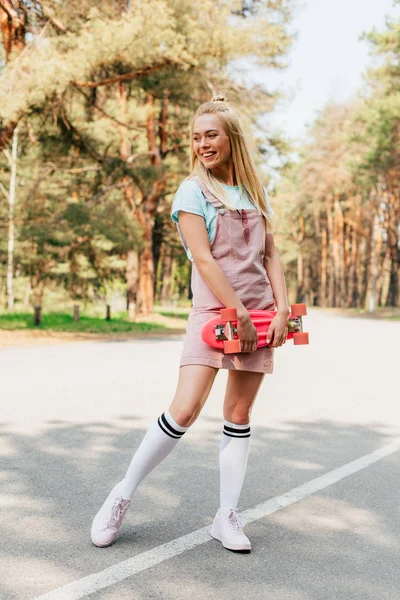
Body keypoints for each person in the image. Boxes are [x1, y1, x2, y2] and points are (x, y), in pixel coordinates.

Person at [91, 96, 290, 553]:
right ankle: (120, 495)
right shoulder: (191, 192)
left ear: (231, 138)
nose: (202, 144)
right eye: (197, 137)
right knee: (183, 410)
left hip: (258, 314)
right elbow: (203, 257)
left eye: (211, 135)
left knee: (239, 415)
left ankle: (227, 517)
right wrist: (236, 311)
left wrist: (280, 309)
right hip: (216, 315)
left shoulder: (255, 193)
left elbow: (270, 254)